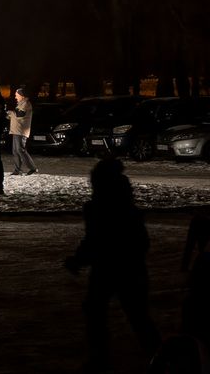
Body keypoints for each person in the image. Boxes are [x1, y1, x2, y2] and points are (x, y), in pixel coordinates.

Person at [64, 158, 161, 368]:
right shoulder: (126, 206)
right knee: (137, 315)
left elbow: (94, 239)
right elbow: (140, 241)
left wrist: (79, 260)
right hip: (130, 267)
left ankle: (100, 357)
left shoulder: (97, 207)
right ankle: (159, 357)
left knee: (99, 310)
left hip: (107, 268)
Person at [9, 87, 37, 176]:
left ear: (22, 96)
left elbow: (20, 114)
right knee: (15, 151)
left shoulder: (26, 104)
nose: (15, 97)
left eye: (16, 95)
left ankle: (32, 168)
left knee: (20, 150)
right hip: (16, 130)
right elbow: (15, 114)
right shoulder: (20, 104)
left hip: (21, 131)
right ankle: (17, 170)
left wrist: (10, 112)